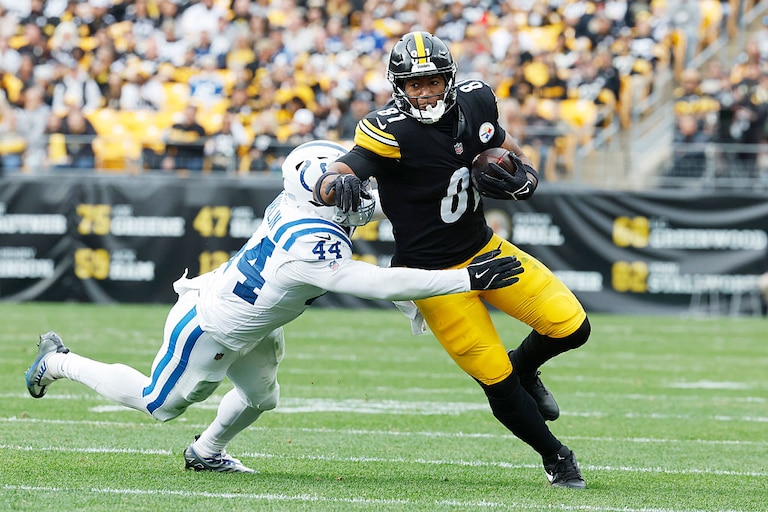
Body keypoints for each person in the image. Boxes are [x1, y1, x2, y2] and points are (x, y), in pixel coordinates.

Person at [24, 140, 524, 474]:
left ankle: (206, 453)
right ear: (322, 196)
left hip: (260, 322)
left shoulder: (304, 201)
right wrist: (464, 279)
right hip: (213, 324)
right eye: (347, 189)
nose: (362, 193)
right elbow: (372, 281)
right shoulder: (310, 240)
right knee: (161, 405)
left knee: (262, 398)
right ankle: (57, 361)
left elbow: (336, 180)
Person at [315, 32, 591, 489]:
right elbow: (346, 167)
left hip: (485, 248)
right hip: (432, 277)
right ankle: (556, 456)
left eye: (432, 80)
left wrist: (524, 169)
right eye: (413, 83)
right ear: (397, 85)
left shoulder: (478, 100)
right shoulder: (388, 128)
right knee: (495, 378)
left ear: (450, 78)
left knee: (572, 327)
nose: (423, 91)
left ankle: (526, 367)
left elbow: (501, 143)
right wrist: (330, 185)